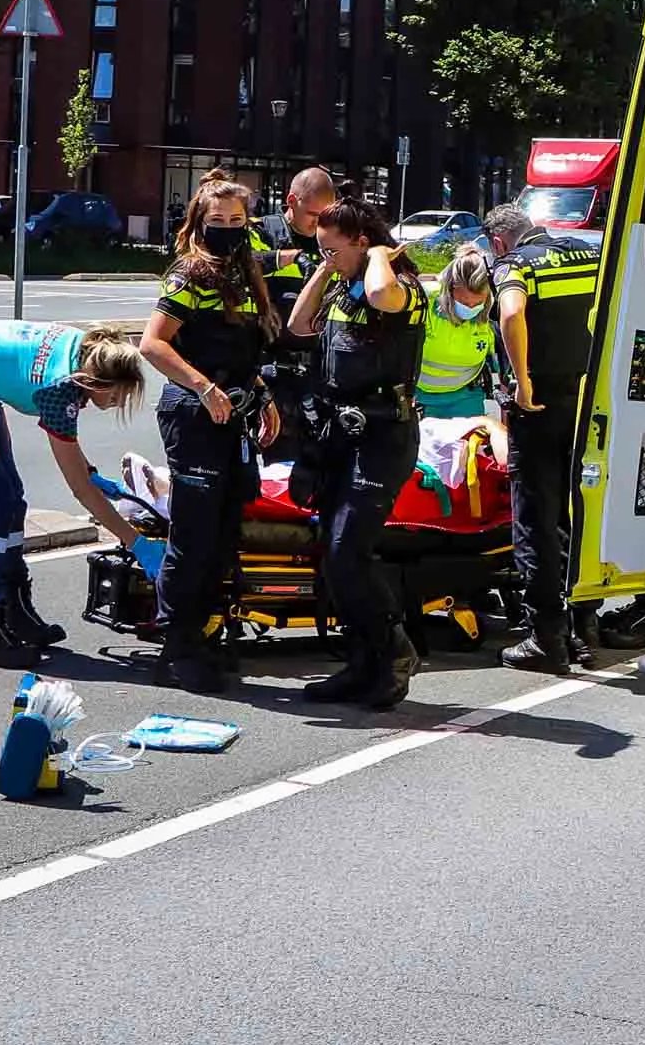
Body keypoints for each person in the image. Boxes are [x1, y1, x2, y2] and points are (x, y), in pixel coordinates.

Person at [0, 318, 149, 663]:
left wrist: (92, 473)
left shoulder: (88, 351)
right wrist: (136, 542)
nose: (117, 403)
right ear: (96, 382)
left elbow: (75, 460)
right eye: (117, 395)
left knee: (12, 497)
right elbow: (80, 491)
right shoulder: (60, 389)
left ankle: (13, 610)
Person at [139, 179, 282, 690]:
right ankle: (175, 647)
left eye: (236, 222)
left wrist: (261, 394)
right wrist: (203, 387)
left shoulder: (245, 274)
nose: (226, 231)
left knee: (223, 535)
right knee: (193, 537)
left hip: (235, 416)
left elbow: (241, 353)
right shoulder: (188, 274)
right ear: (198, 222)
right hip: (193, 414)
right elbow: (151, 345)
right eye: (216, 222)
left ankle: (202, 634)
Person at [286, 200, 427, 707]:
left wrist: (381, 256)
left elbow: (381, 293)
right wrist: (326, 267)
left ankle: (394, 652)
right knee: (333, 550)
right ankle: (362, 661)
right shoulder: (343, 287)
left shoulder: (400, 287)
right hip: (342, 435)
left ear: (363, 242)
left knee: (349, 548)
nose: (327, 256)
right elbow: (300, 325)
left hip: (384, 437)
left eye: (333, 247)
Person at [485, 204, 594, 670]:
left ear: (497, 243)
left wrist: (522, 380)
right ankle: (585, 628)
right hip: (588, 395)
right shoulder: (584, 253)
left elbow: (511, 313)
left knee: (535, 517)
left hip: (541, 401)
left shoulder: (515, 264)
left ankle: (546, 638)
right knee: (578, 511)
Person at [414, 245, 510, 468]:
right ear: (450, 289)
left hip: (464, 398)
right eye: (465, 302)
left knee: (464, 466)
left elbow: (505, 371)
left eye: (478, 303)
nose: (472, 307)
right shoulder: (426, 300)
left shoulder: (493, 310)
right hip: (418, 398)